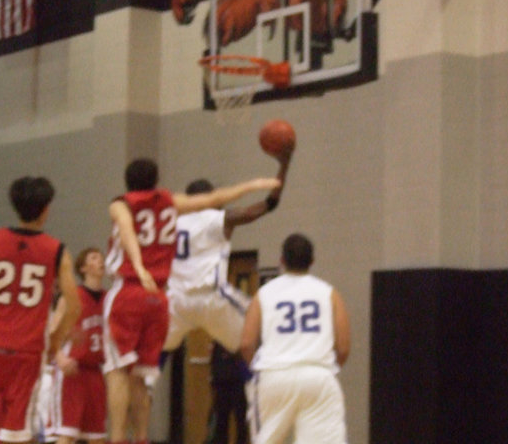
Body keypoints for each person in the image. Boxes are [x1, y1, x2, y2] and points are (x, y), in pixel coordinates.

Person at [104, 158, 281, 444]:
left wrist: (137, 264)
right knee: (256, 343)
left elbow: (127, 230)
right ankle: (259, 403)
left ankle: (133, 433)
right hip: (207, 297)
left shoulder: (166, 213)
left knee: (137, 372)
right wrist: (261, 186)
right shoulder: (185, 209)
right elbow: (248, 208)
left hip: (170, 298)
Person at [0, 176, 81, 444]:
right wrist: (55, 340)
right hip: (27, 351)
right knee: (18, 433)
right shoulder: (57, 250)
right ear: (46, 208)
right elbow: (74, 305)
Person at [164, 149, 290, 355]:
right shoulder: (218, 218)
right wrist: (284, 164)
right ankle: (261, 383)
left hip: (176, 300)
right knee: (259, 332)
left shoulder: (170, 224)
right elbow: (268, 205)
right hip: (211, 296)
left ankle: (143, 385)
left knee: (153, 352)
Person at [240, 233, 350, 444]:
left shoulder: (263, 293)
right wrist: (324, 367)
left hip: (275, 375)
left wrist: (260, 370)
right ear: (312, 261)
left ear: (281, 260)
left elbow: (246, 343)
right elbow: (343, 348)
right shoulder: (329, 293)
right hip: (318, 376)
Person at [52, 247, 108, 444]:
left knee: (98, 437)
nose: (100, 260)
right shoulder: (71, 297)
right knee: (67, 434)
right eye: (94, 257)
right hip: (72, 372)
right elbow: (52, 333)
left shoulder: (110, 299)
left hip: (96, 372)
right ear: (83, 268)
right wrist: (60, 358)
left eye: (101, 257)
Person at [204, 342, 249, 444]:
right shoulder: (217, 337)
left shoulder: (240, 333)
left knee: (241, 422)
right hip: (221, 381)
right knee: (220, 422)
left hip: (239, 381)